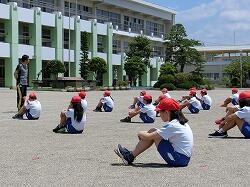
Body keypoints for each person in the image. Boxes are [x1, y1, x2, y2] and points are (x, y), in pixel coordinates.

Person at [114, 98, 193, 167]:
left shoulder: (173, 125)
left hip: (178, 160)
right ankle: (130, 156)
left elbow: (148, 137)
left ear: (167, 112)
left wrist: (139, 133)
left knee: (152, 134)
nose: (159, 114)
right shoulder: (180, 123)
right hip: (183, 159)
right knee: (153, 132)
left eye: (160, 112)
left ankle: (129, 157)